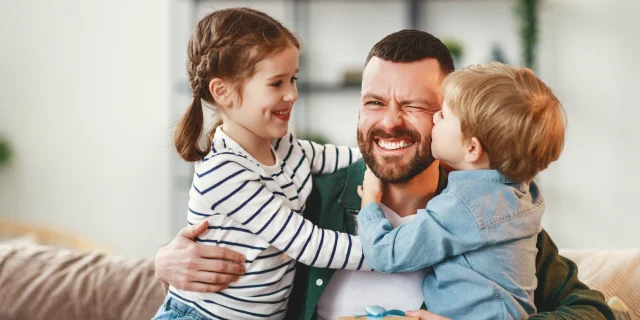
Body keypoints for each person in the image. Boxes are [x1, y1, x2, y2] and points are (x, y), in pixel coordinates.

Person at [155, 30, 615, 320]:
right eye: (374, 102)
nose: (389, 122)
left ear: (453, 123)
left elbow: (592, 311)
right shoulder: (310, 194)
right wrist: (164, 264)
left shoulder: (490, 216)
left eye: (415, 106)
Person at [153, 7, 373, 320]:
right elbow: (306, 242)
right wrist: (389, 251)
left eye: (293, 80)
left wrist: (390, 153)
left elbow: (341, 157)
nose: (292, 94)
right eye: (276, 83)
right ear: (223, 91)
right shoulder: (223, 172)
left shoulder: (283, 147)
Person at [357, 62, 566, 319]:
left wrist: (370, 199)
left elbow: (384, 253)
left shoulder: (464, 205)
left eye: (443, 115)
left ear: (472, 149)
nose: (434, 117)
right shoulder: (521, 194)